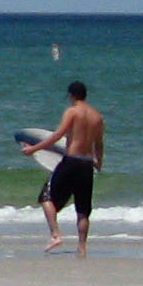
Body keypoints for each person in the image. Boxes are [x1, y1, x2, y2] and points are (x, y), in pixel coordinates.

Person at [39, 79, 103, 253]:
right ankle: (82, 247)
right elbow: (98, 143)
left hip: (71, 160)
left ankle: (56, 234)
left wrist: (34, 148)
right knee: (83, 210)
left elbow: (58, 134)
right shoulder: (97, 116)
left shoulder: (72, 112)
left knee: (45, 198)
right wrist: (99, 162)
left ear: (71, 95)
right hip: (87, 164)